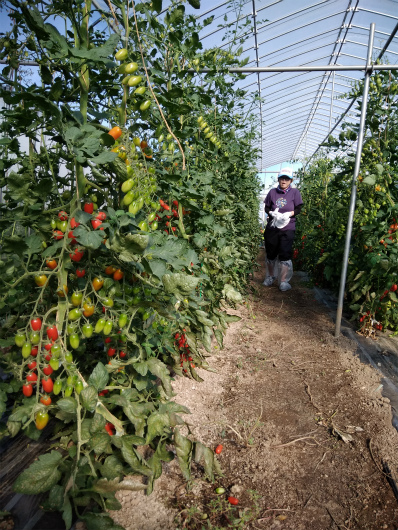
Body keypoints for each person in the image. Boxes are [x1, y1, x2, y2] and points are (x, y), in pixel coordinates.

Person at [263, 167, 303, 292]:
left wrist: (289, 214)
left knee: (285, 254)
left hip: (288, 228)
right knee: (271, 253)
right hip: (273, 227)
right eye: (282, 178)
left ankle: (284, 281)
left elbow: (298, 208)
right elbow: (266, 207)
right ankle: (270, 276)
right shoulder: (272, 192)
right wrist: (271, 213)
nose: (284, 181)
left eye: (286, 179)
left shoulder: (295, 193)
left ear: (291, 180)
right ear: (278, 179)